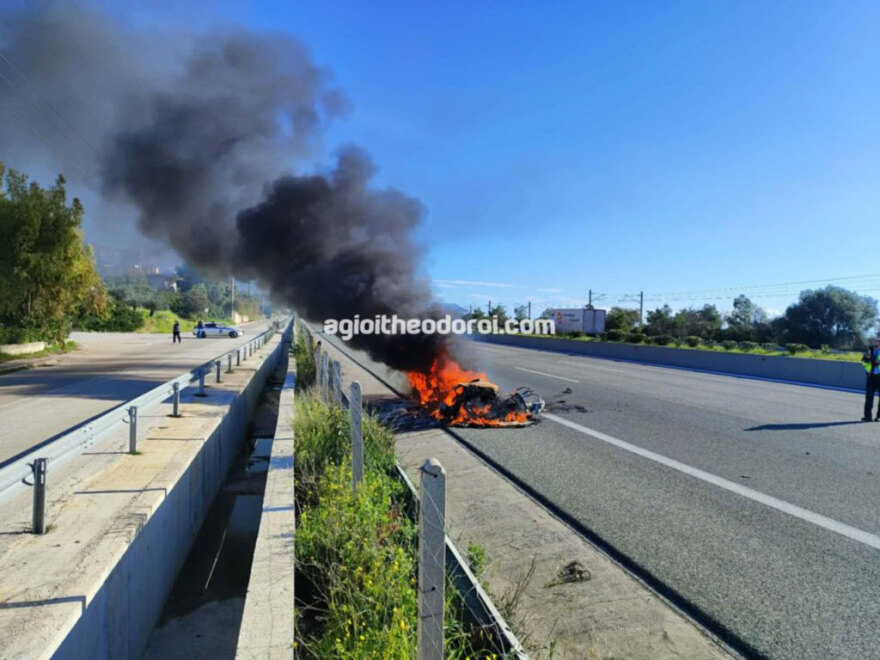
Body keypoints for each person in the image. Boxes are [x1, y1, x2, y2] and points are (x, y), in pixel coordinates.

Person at [861, 337, 880, 421]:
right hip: (871, 377)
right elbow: (863, 363)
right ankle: (868, 416)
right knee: (869, 398)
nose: (875, 343)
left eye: (877, 341)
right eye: (875, 341)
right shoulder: (869, 351)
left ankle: (879, 416)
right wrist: (867, 359)